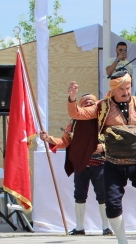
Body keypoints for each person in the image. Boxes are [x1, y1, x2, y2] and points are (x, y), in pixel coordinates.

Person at [67, 71, 136, 244]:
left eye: (128, 87)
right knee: (112, 202)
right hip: (112, 163)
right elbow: (77, 114)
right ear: (113, 90)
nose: (126, 92)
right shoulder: (102, 107)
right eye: (121, 89)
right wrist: (72, 98)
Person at [39, 94, 112, 236]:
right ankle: (79, 227)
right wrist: (49, 138)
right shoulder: (74, 124)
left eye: (92, 101)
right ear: (80, 105)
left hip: (100, 164)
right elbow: (65, 141)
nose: (89, 102)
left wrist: (103, 147)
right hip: (81, 164)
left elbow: (114, 141)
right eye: (85, 101)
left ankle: (106, 227)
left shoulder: (103, 122)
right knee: (79, 195)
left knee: (103, 196)